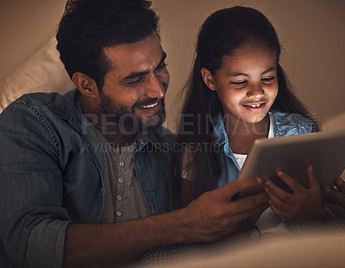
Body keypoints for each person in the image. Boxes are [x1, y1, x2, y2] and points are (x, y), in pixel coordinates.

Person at [0, 1, 270, 267]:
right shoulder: (33, 123)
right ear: (87, 85)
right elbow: (30, 246)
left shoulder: (173, 151)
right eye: (135, 79)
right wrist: (182, 225)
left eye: (159, 67)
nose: (159, 91)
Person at [172, 6, 345, 237]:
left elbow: (324, 218)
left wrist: (313, 215)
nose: (257, 92)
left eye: (268, 78)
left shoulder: (300, 132)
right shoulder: (196, 148)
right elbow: (194, 236)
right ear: (210, 80)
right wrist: (244, 220)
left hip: (303, 253)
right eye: (240, 82)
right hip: (235, 258)